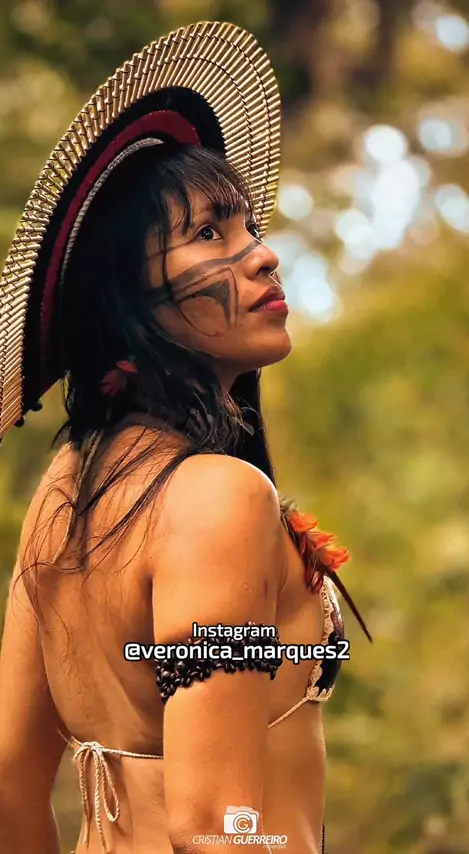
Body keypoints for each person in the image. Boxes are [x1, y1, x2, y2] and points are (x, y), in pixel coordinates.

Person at [0, 20, 371, 854]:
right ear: (127, 303)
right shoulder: (219, 496)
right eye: (209, 234)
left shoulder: (65, 492)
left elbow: (8, 784)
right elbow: (215, 828)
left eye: (248, 228)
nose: (264, 256)